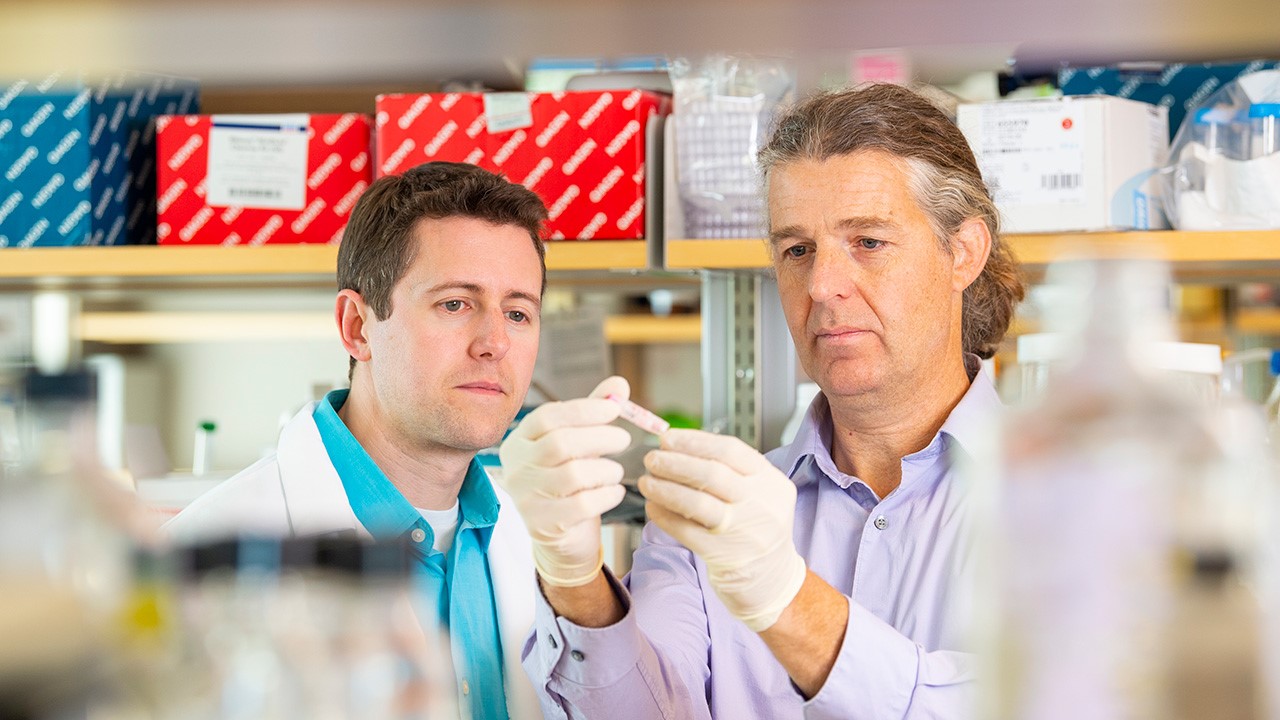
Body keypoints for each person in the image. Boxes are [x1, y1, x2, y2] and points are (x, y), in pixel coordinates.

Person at [498, 83, 1026, 718]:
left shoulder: (1076, 499)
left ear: (964, 252)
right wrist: (575, 581)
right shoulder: (711, 518)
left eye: (868, 242)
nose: (822, 285)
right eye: (797, 250)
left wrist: (785, 600)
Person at [164, 161, 549, 719]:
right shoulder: (196, 572)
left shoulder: (535, 543)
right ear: (356, 326)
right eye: (454, 304)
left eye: (518, 313)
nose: (495, 343)